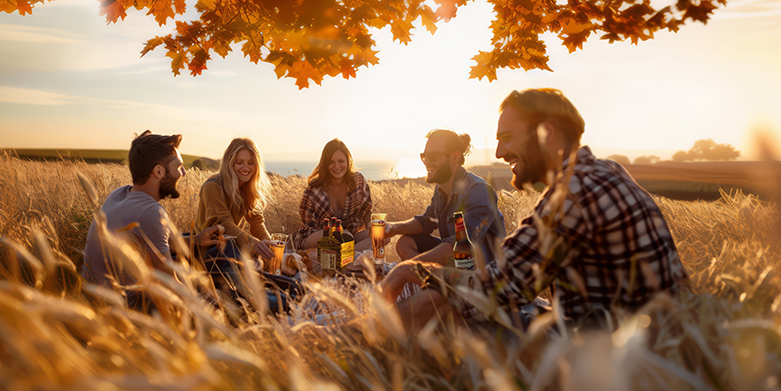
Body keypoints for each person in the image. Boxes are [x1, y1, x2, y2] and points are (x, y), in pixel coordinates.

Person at [381, 89, 688, 329]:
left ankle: (359, 345)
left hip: (616, 360)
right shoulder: (607, 171)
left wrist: (413, 269)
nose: (500, 152)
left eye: (508, 138)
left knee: (440, 303)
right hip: (654, 340)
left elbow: (494, 288)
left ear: (547, 134)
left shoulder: (572, 195)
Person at [82, 130, 226, 310]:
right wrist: (211, 308)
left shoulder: (120, 194)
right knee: (211, 289)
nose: (183, 173)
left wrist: (197, 239)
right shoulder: (151, 212)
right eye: (179, 167)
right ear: (159, 171)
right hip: (125, 307)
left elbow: (156, 243)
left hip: (95, 296)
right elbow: (168, 282)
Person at [372, 130, 505, 270]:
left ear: (454, 157)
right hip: (454, 259)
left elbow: (462, 243)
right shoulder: (441, 189)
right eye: (424, 156)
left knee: (408, 266)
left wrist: (406, 266)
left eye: (433, 156)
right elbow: (426, 222)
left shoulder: (478, 191)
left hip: (482, 268)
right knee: (405, 242)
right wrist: (393, 227)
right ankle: (425, 278)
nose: (427, 162)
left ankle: (415, 274)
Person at [194, 137, 281, 261]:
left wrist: (269, 245)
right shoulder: (212, 186)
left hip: (230, 247)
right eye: (239, 162)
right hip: (207, 252)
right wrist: (253, 243)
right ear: (229, 163)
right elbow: (224, 223)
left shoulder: (247, 187)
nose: (246, 168)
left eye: (250, 163)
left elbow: (256, 221)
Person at [291, 139, 373, 255]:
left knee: (382, 235)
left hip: (350, 236)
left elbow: (366, 211)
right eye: (331, 162)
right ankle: (349, 254)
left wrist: (373, 227)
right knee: (343, 236)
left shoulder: (358, 181)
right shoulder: (314, 189)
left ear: (347, 161)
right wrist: (337, 232)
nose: (337, 166)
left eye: (341, 161)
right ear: (325, 164)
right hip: (319, 235)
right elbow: (308, 224)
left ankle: (346, 255)